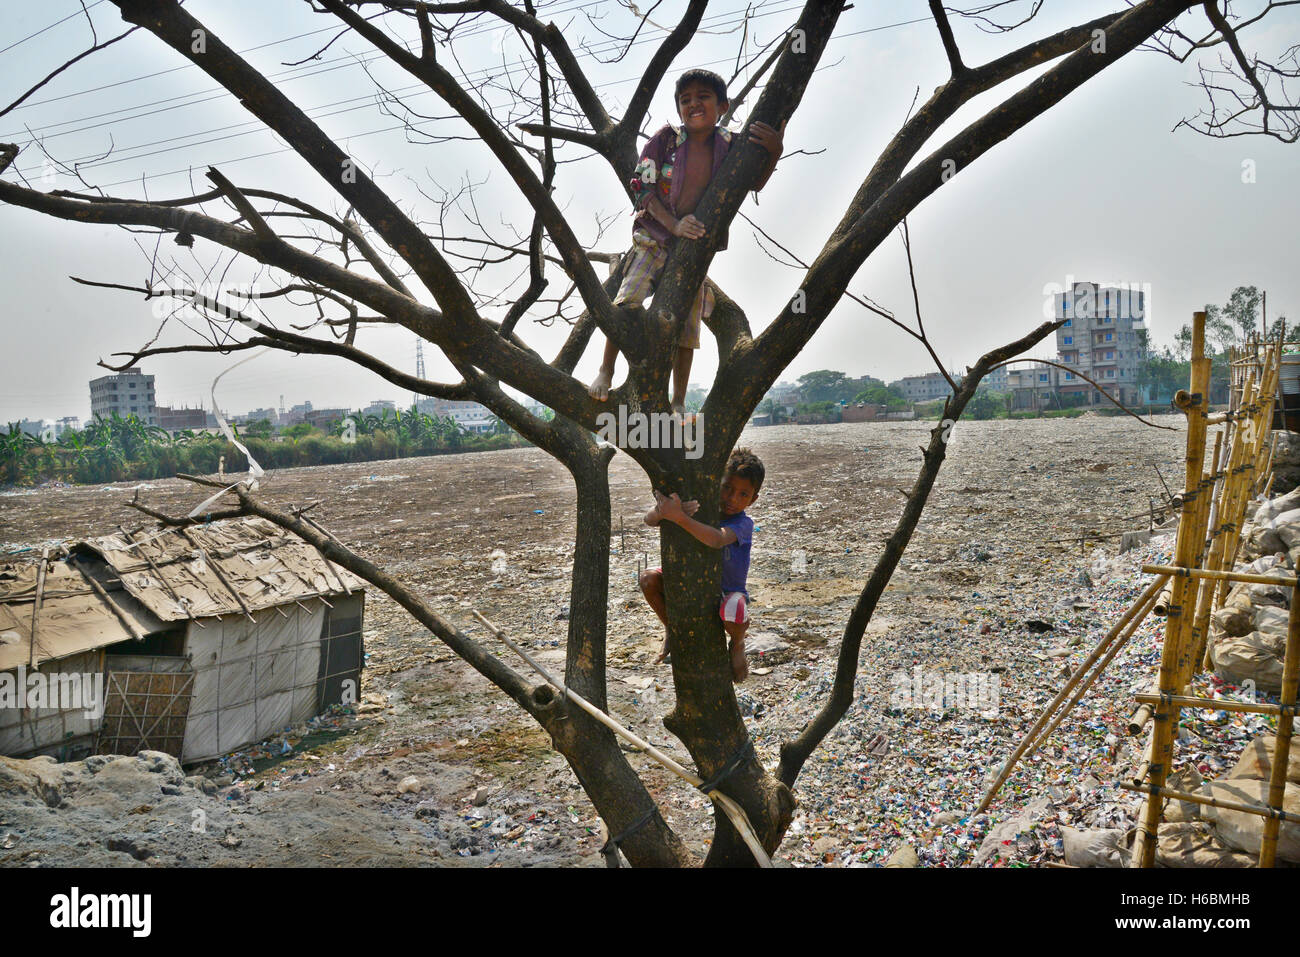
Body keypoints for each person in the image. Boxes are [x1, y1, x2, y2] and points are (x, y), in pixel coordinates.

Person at [588, 69, 784, 414]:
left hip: (694, 250)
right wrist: (674, 225)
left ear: (722, 106)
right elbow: (643, 189)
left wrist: (775, 151)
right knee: (627, 301)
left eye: (703, 97)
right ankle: (606, 368)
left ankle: (678, 400)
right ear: (678, 108)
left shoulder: (731, 146)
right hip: (654, 238)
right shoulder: (664, 139)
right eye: (685, 99)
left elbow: (754, 183)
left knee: (687, 323)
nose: (693, 103)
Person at [638, 448, 764, 682]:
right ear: (716, 483)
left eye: (743, 494)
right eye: (727, 488)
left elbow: (716, 539)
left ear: (753, 499)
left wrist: (680, 518)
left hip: (728, 592)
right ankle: (671, 629)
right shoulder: (702, 509)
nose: (732, 499)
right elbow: (648, 520)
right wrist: (663, 511)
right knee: (647, 579)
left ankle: (737, 642)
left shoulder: (743, 524)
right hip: (690, 585)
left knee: (733, 609)